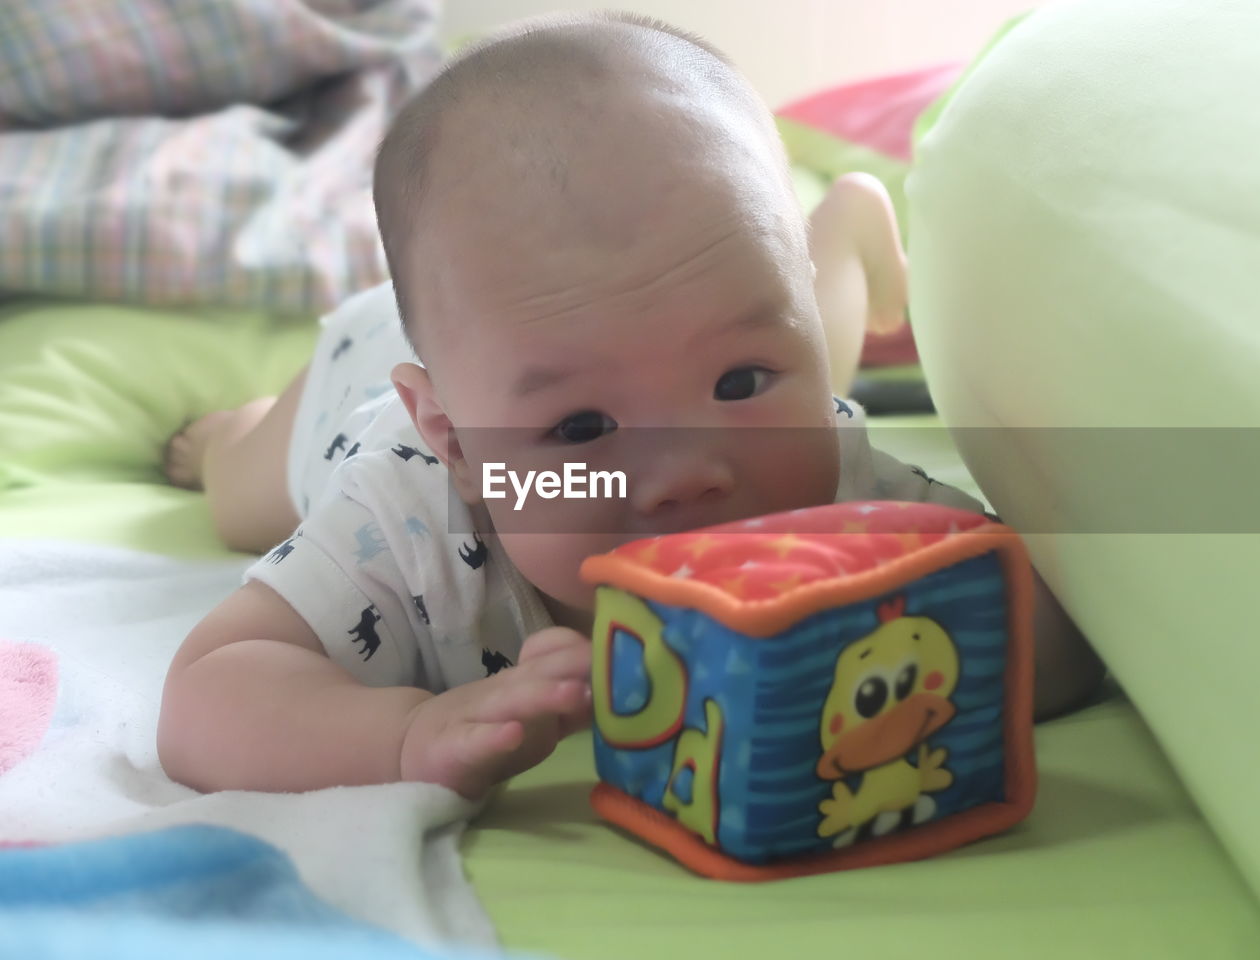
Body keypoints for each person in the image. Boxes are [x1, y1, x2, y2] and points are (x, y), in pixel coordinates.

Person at [157, 11, 1103, 801]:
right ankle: (236, 430)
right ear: (457, 438)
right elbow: (206, 695)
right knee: (242, 491)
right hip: (354, 382)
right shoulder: (403, 523)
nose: (691, 472)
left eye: (740, 383)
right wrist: (404, 734)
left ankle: (839, 239)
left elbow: (1049, 626)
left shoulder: (835, 488)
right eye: (580, 430)